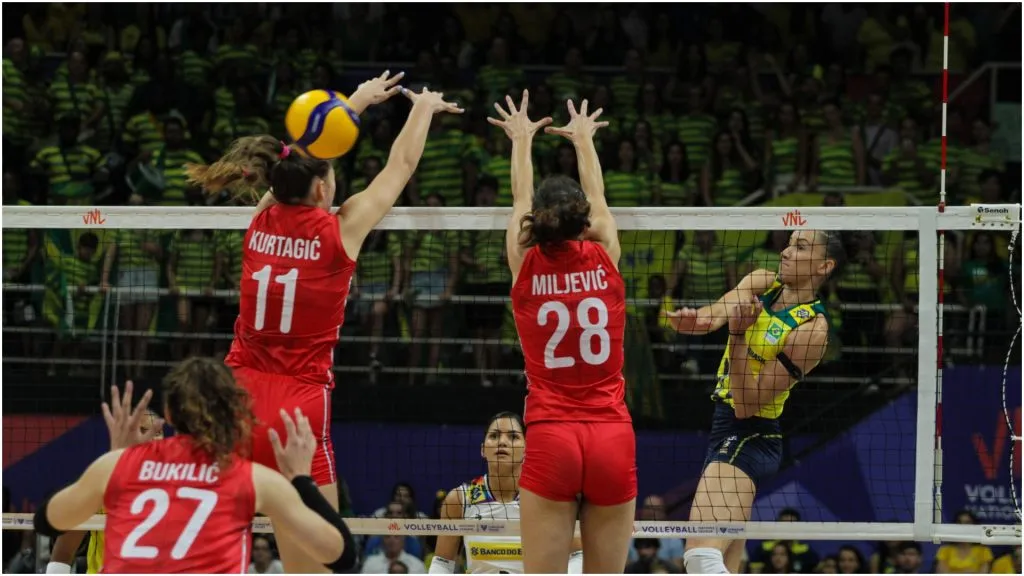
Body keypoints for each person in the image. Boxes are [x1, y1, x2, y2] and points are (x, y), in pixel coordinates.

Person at [184, 72, 462, 573]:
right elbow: (400, 165)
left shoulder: (261, 221)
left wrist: (352, 103)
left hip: (236, 396)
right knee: (317, 560)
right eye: (330, 175)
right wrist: (422, 108)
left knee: (211, 554)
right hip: (298, 409)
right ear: (320, 188)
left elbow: (298, 159)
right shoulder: (342, 230)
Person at [489, 91, 636, 573]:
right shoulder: (605, 251)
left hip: (552, 434)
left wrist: (521, 138)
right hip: (612, 434)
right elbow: (599, 199)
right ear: (583, 220)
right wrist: (584, 140)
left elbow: (518, 199)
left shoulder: (524, 262)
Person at [33, 360, 358, 573]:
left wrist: (117, 458)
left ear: (170, 416)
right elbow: (341, 554)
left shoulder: (115, 466)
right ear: (233, 411)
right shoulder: (253, 479)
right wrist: (302, 481)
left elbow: (45, 521)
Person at [663, 230, 846, 574]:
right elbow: (715, 314)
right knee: (726, 564)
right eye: (790, 243)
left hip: (750, 434)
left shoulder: (812, 330)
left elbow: (747, 404)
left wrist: (736, 336)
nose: (787, 252)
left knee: (701, 556)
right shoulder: (762, 282)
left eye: (801, 247)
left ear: (824, 266)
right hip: (723, 427)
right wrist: (692, 320)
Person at [430, 411, 584, 574]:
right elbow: (442, 563)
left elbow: (578, 555)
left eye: (513, 437)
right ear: (483, 449)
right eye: (494, 436)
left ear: (527, 449)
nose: (502, 442)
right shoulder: (460, 499)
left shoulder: (547, 498)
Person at [46, 410, 163, 574]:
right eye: (143, 430)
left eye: (158, 432)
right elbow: (64, 551)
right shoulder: (103, 479)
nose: (152, 437)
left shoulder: (173, 483)